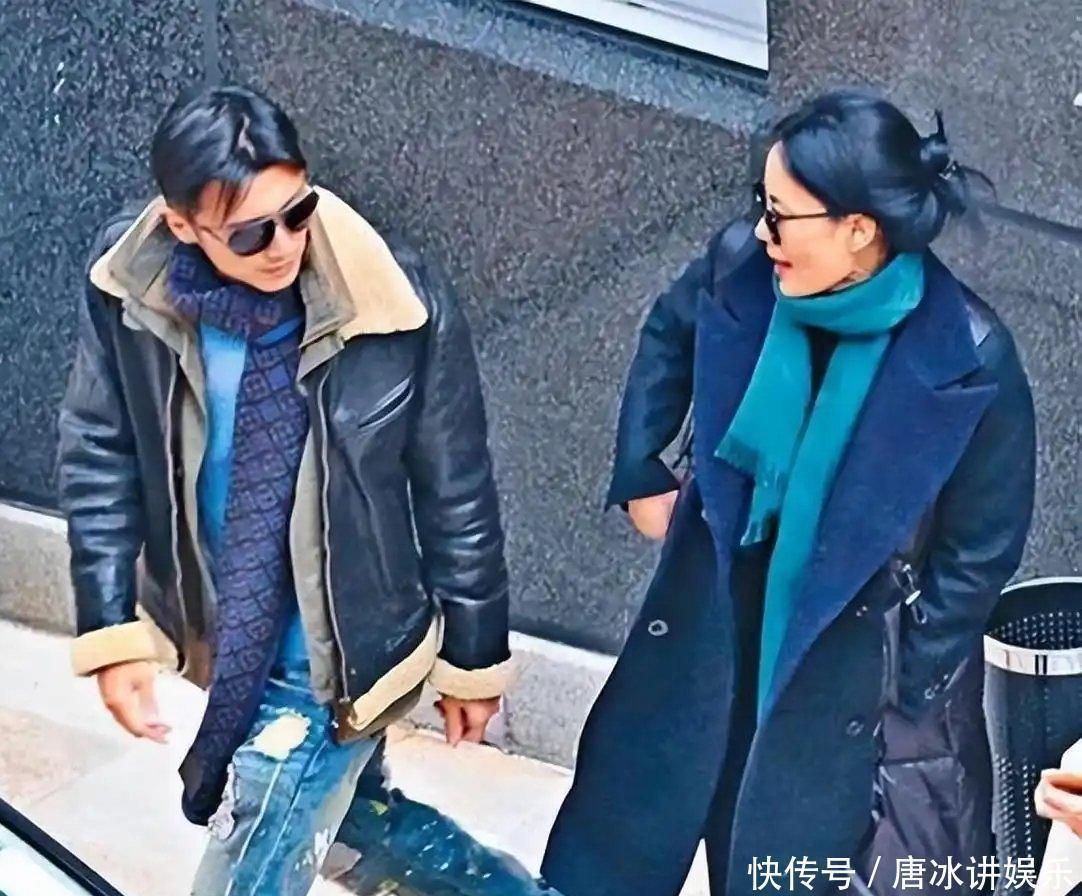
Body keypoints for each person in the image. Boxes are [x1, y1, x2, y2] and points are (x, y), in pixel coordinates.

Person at [541, 90, 1036, 896]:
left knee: (773, 857)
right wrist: (641, 470)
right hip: (717, 623)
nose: (762, 231)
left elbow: (984, 545)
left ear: (858, 229)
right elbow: (668, 334)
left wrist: (906, 667)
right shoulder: (743, 265)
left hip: (837, 669)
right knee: (641, 834)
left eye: (781, 216)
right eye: (761, 206)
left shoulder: (971, 355)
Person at [57, 84, 533, 896]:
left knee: (253, 857)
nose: (282, 245)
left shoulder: (393, 302)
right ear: (182, 226)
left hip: (340, 658)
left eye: (298, 211)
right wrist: (112, 626)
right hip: (225, 636)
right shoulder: (131, 289)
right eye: (250, 232)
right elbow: (99, 449)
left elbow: (457, 490)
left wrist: (474, 655)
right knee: (357, 828)